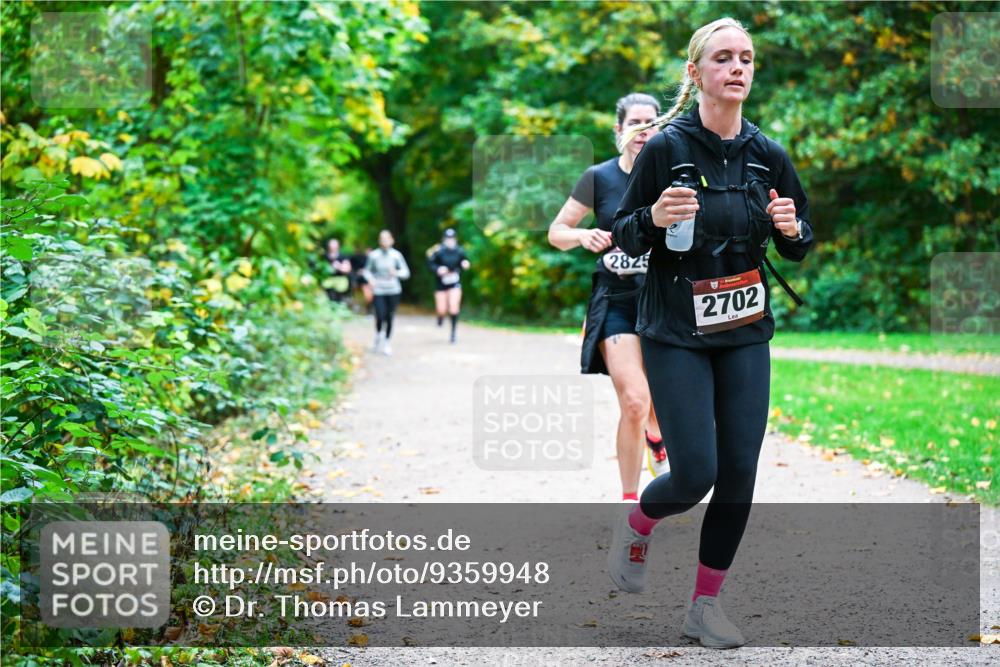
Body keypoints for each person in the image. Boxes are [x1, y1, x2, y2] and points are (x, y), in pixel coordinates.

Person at [606, 17, 814, 649]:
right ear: (696, 73)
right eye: (723, 58)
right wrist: (652, 215)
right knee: (695, 473)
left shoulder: (767, 153)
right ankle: (639, 523)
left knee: (741, 470)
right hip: (676, 328)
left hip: (744, 327)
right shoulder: (666, 148)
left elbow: (800, 240)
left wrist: (791, 228)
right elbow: (624, 232)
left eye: (745, 58)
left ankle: (704, 606)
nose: (737, 68)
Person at [547, 92, 667, 503]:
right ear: (619, 130)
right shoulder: (598, 178)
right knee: (634, 401)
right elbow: (557, 232)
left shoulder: (673, 176)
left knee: (659, 406)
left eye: (651, 123)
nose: (643, 130)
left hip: (665, 302)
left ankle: (657, 437)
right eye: (634, 123)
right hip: (616, 300)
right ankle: (630, 503)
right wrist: (582, 235)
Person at [362, 231, 411, 355]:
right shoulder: (374, 255)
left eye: (387, 239)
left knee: (389, 316)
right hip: (379, 290)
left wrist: (396, 273)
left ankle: (387, 342)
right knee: (380, 315)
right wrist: (371, 279)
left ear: (392, 240)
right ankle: (378, 335)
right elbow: (366, 271)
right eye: (382, 239)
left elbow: (406, 272)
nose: (385, 241)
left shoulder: (396, 255)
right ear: (379, 241)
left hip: (393, 290)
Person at [427, 228, 471, 343]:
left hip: (454, 283)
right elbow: (430, 264)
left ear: (455, 239)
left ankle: (453, 333)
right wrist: (438, 269)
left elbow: (465, 261)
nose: (450, 240)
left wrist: (465, 264)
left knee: (453, 307)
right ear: (444, 239)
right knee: (441, 309)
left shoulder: (460, 251)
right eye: (448, 238)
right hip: (441, 284)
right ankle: (440, 317)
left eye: (452, 238)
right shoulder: (438, 251)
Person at [323, 238, 353, 304]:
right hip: (328, 280)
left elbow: (348, 269)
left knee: (339, 299)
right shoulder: (324, 256)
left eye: (334, 245)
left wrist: (338, 266)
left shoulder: (343, 256)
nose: (333, 247)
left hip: (340, 281)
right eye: (331, 245)